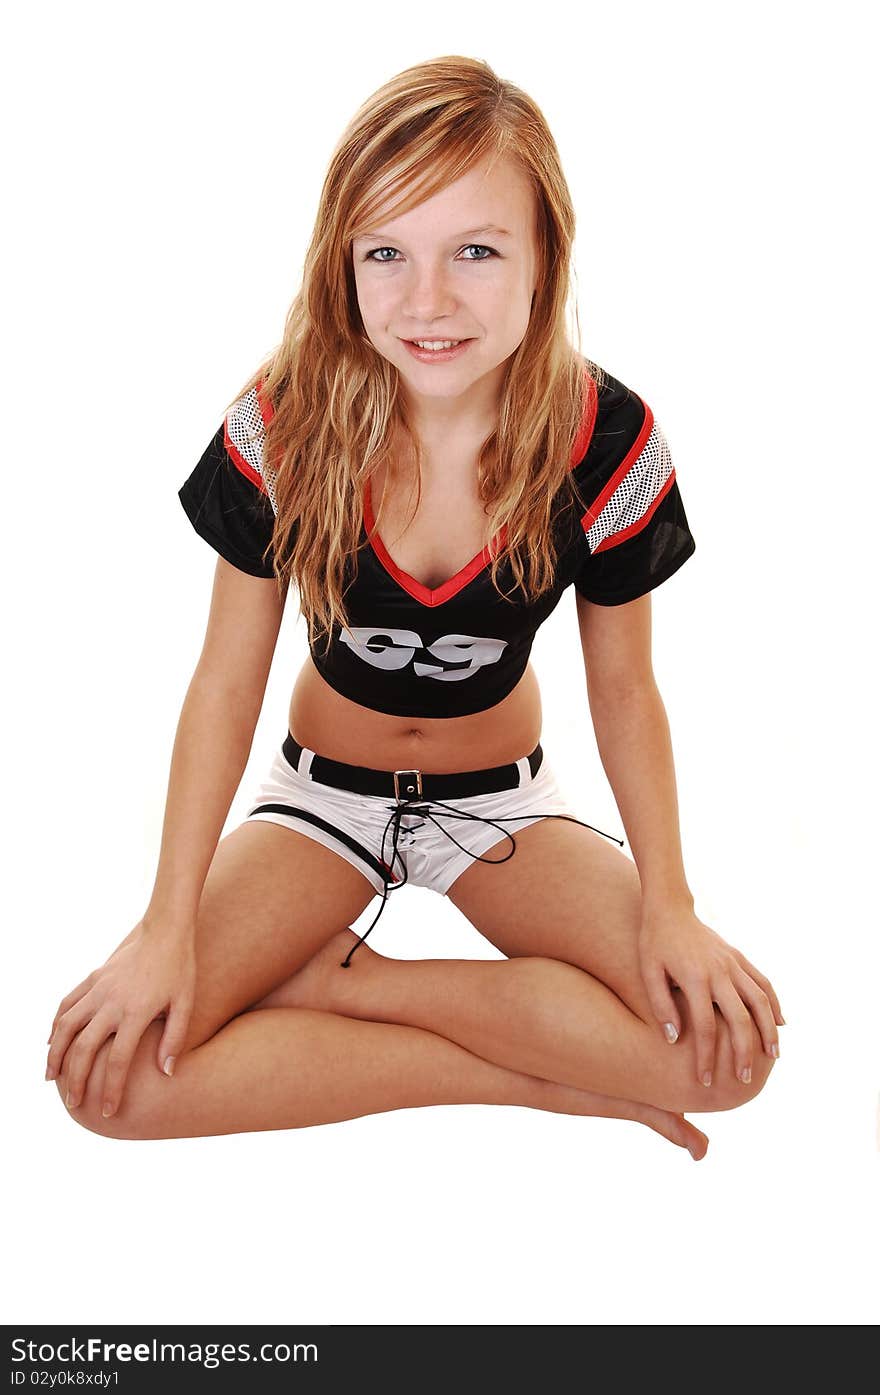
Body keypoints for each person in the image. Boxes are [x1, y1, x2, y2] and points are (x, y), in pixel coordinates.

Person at [46, 54, 783, 1160]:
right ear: (339, 265)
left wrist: (673, 903)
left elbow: (624, 688)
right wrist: (164, 926)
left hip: (500, 812)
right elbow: (223, 681)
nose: (427, 302)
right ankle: (539, 1086)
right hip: (321, 802)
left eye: (475, 252)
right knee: (108, 1086)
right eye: (385, 253)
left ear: (546, 259)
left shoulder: (607, 439)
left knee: (726, 1059)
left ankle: (352, 986)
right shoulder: (283, 423)